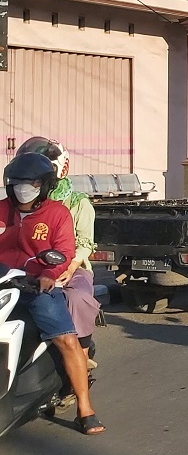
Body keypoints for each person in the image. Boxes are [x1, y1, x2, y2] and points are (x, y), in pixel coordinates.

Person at [0, 153, 103, 433]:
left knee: (66, 340)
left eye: (31, 182)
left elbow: (65, 250)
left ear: (44, 185)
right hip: (3, 285)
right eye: (18, 182)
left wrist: (48, 274)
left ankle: (85, 408)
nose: (23, 187)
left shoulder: (58, 213)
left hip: (36, 288)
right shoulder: (0, 210)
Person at [15, 137, 100, 370]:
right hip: (28, 267)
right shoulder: (23, 202)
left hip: (72, 269)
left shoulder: (78, 203)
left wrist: (70, 267)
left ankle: (80, 355)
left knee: (77, 298)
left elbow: (84, 244)